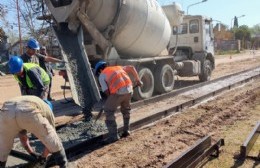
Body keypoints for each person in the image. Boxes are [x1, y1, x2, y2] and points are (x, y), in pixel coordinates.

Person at [0, 96, 68, 168]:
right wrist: (43, 157)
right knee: (54, 142)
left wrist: (32, 153)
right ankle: (63, 165)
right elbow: (50, 139)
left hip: (6, 111)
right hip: (27, 110)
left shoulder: (33, 100)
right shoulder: (47, 110)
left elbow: (23, 138)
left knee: (3, 147)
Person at [94, 61, 143, 143]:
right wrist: (138, 80)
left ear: (99, 70)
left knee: (108, 110)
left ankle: (113, 136)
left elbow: (107, 91)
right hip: (129, 90)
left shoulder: (102, 75)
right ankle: (126, 131)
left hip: (118, 92)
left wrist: (109, 101)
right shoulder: (118, 67)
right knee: (126, 110)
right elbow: (131, 67)